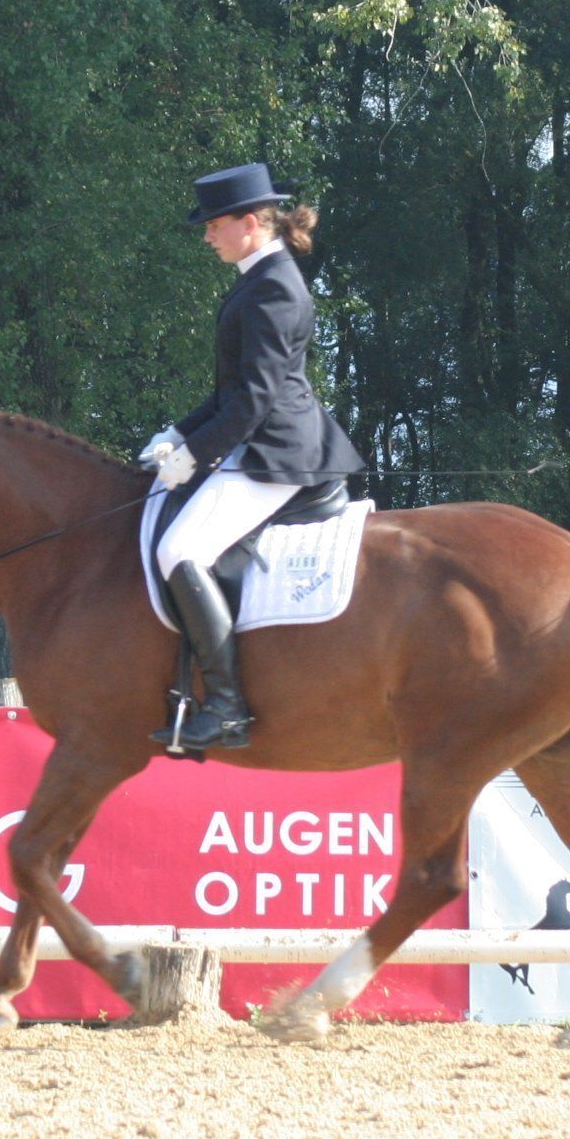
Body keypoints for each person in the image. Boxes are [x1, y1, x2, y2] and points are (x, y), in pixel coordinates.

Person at [140, 163, 366, 749]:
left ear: (249, 223)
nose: (207, 236)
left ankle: (226, 707)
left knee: (178, 549)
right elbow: (230, 394)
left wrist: (193, 457)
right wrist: (176, 433)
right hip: (256, 439)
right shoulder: (255, 279)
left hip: (279, 451)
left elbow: (256, 400)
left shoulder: (274, 288)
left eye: (213, 225)